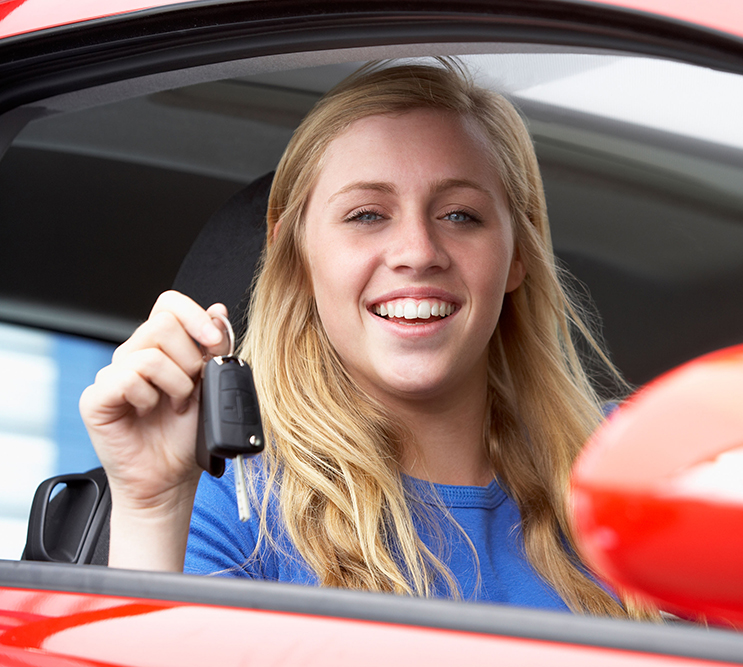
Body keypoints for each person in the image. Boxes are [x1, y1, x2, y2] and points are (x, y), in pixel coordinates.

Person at [80, 61, 651, 618]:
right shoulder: (235, 508)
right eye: (366, 215)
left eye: (459, 215)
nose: (418, 252)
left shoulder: (639, 469)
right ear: (297, 252)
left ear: (518, 255)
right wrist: (152, 511)